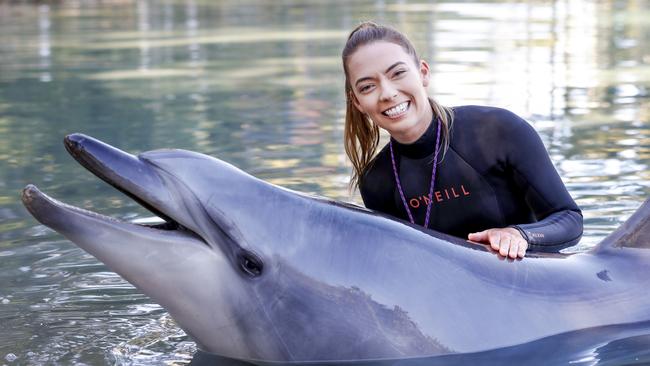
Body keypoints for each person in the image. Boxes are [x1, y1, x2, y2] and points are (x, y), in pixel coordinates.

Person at [342, 22, 583, 259]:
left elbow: (569, 218)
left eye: (398, 73)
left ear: (423, 73)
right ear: (357, 102)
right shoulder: (376, 181)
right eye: (368, 87)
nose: (387, 93)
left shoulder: (497, 132)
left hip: (529, 288)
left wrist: (519, 235)